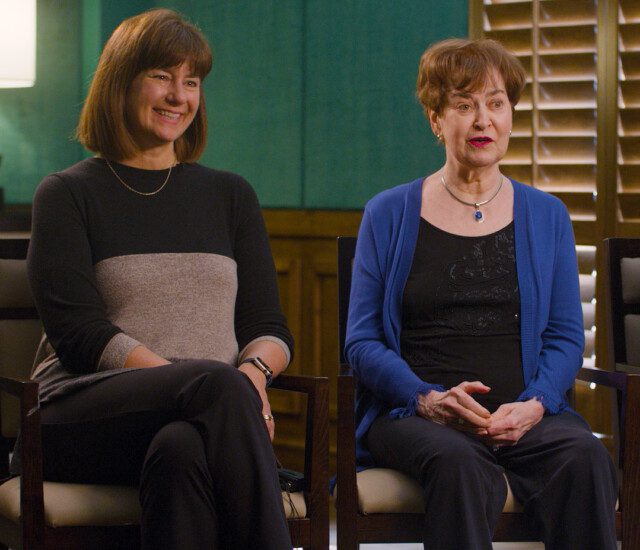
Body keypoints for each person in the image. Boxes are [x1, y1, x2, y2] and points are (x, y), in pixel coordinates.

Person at [21, 9, 293, 550]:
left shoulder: (230, 195)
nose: (178, 96)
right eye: (162, 77)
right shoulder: (67, 194)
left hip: (209, 417)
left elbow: (268, 327)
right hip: (81, 413)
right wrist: (203, 387)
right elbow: (80, 336)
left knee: (181, 450)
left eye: (191, 82)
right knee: (215, 387)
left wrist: (253, 381)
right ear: (121, 82)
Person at [345, 38, 617, 550]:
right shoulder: (389, 212)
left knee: (586, 457)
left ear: (512, 115)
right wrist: (426, 399)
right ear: (435, 119)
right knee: (460, 465)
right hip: (417, 415)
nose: (482, 120)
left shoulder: (547, 214)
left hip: (525, 414)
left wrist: (535, 404)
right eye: (463, 104)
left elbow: (563, 337)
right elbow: (362, 343)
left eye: (495, 103)